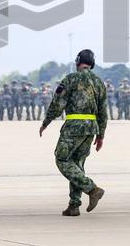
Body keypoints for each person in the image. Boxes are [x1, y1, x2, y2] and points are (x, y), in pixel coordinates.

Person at [39, 49, 108, 217]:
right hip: (91, 127)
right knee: (77, 164)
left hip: (74, 126)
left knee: (62, 159)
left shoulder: (70, 79)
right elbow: (103, 112)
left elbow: (57, 103)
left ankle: (92, 189)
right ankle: (74, 205)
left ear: (78, 62)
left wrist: (46, 122)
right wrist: (101, 135)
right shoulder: (99, 82)